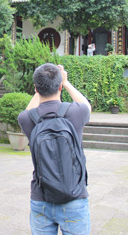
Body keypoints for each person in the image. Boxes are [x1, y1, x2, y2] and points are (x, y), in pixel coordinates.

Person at [18, 63, 91, 234]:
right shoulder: (76, 112)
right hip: (74, 198)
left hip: (41, 198)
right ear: (59, 87)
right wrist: (66, 82)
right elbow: (87, 106)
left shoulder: (28, 119)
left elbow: (24, 114)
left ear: (36, 88)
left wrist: (39, 91)